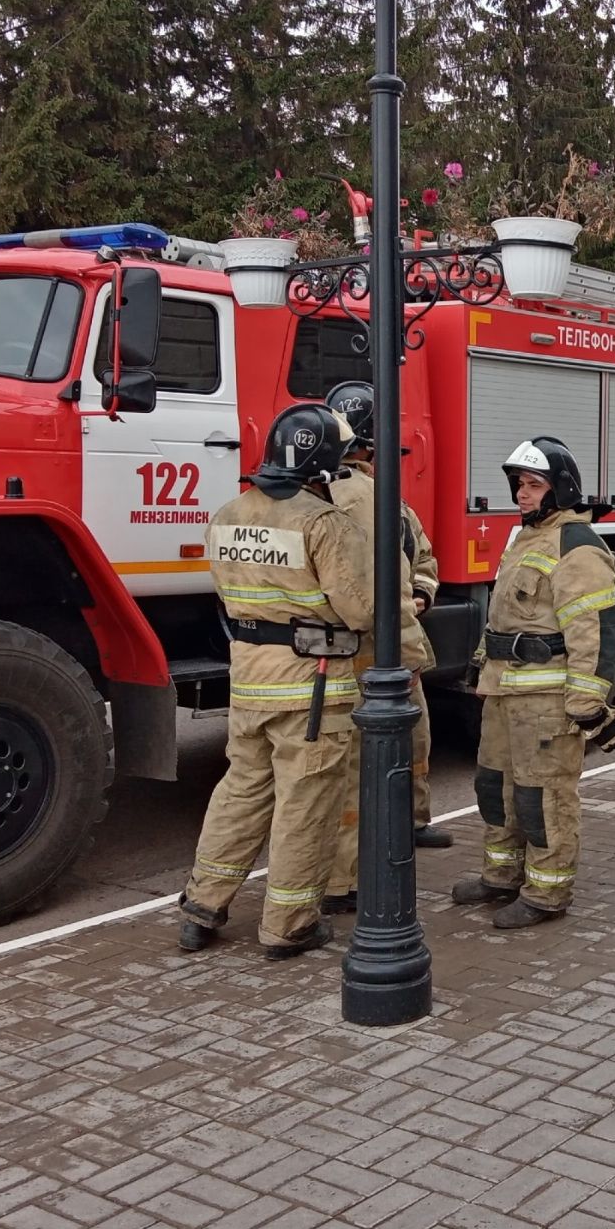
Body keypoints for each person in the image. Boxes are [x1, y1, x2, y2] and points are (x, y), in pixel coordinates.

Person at [178, 404, 372, 959]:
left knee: (241, 790)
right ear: (324, 462)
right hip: (312, 686)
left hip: (249, 681)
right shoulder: (323, 523)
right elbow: (359, 611)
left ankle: (202, 906)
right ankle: (289, 924)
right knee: (304, 804)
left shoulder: (227, 514)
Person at [451, 437, 615, 929]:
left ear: (561, 489)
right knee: (495, 788)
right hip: (504, 691)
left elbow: (594, 632)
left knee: (544, 798)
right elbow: (506, 614)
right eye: (519, 485)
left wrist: (587, 702)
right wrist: (480, 664)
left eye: (534, 485)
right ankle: (501, 876)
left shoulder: (578, 546)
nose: (522, 494)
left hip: (545, 700)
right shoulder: (524, 538)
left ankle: (546, 894)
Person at [319, 379, 450, 919]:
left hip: (399, 643)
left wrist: (421, 594)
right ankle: (345, 875)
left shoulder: (393, 505)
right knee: (354, 763)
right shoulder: (330, 503)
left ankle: (412, 823)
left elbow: (421, 559)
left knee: (414, 739)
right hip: (360, 646)